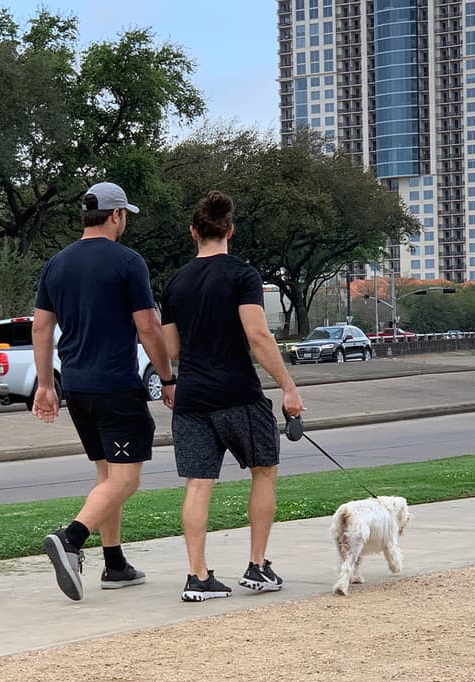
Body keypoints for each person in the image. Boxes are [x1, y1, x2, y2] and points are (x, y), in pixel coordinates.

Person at [33, 181, 177, 602]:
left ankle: (114, 563)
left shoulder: (56, 264)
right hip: (115, 384)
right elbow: (148, 325)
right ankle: (71, 538)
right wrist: (167, 378)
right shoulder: (127, 261)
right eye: (125, 215)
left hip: (75, 386)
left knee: (106, 476)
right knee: (127, 479)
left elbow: (41, 327)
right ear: (116, 215)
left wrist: (46, 385)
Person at [160, 190, 305, 602]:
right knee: (264, 470)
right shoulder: (242, 275)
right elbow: (257, 335)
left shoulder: (175, 283)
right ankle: (258, 566)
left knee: (198, 484)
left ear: (194, 232)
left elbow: (172, 350)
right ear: (230, 230)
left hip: (191, 397)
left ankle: (197, 575)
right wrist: (288, 387)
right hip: (237, 393)